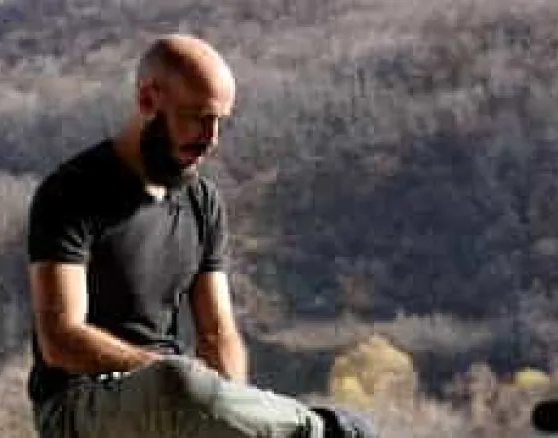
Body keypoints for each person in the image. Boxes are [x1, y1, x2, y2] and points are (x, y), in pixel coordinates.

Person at [25, 33, 378, 438]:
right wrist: (172, 376)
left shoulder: (202, 202)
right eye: (197, 117)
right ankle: (320, 430)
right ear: (148, 101)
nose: (211, 139)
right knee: (176, 383)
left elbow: (218, 334)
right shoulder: (71, 192)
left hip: (178, 402)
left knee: (188, 386)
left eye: (219, 121)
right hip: (78, 405)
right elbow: (61, 340)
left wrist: (232, 413)